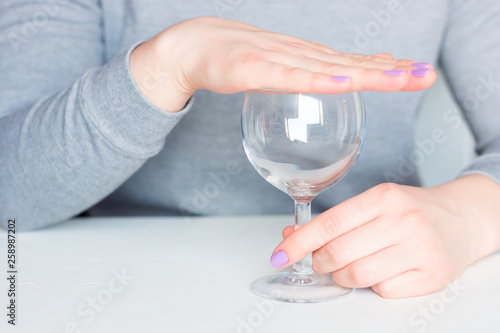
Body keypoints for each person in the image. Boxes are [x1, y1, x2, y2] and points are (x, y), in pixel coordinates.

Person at [0, 0, 499, 299]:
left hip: (377, 291)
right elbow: (10, 193)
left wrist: (472, 213)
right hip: (128, 287)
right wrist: (169, 63)